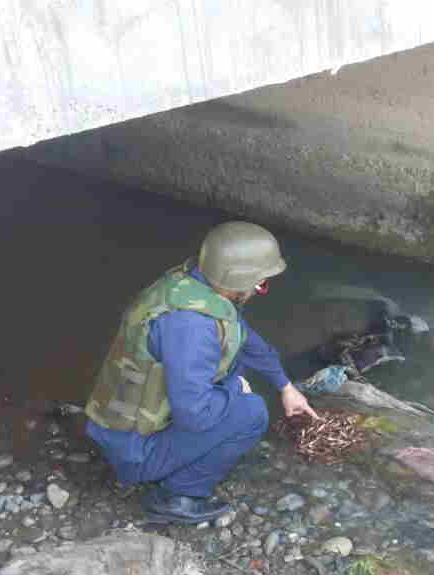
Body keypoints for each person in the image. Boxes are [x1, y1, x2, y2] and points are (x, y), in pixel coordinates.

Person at [84, 221, 318, 524]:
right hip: (133, 451)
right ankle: (176, 496)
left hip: (121, 428)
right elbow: (194, 415)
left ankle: (174, 464)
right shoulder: (192, 326)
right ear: (238, 281)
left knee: (236, 376)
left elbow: (243, 338)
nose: (260, 290)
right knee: (252, 413)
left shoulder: (191, 285)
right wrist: (238, 392)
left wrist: (285, 386)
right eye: (261, 284)